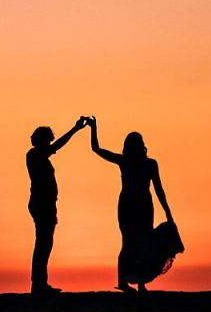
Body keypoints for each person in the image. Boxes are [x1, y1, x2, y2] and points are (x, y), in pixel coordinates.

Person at [91, 123, 180, 291]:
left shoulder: (148, 164)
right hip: (130, 206)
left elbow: (159, 189)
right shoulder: (127, 161)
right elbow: (96, 149)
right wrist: (93, 128)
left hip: (142, 206)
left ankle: (139, 283)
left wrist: (168, 212)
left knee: (141, 244)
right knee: (129, 243)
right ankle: (124, 282)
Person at [25, 116, 92, 293]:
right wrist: (75, 129)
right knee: (43, 243)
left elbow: (55, 147)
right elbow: (56, 147)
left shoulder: (39, 155)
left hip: (46, 204)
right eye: (48, 140)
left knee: (45, 242)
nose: (50, 144)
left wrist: (75, 129)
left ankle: (40, 283)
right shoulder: (33, 155)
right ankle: (38, 284)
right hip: (41, 204)